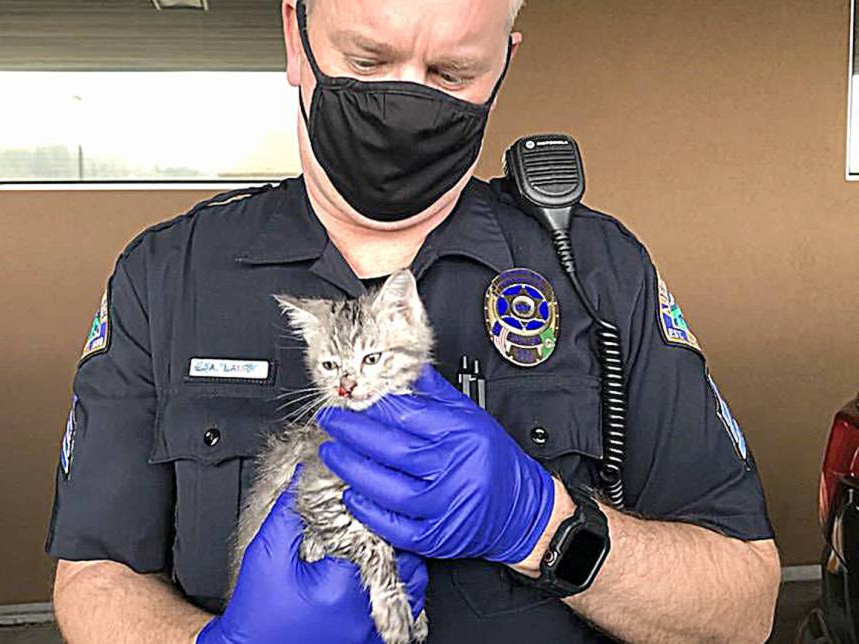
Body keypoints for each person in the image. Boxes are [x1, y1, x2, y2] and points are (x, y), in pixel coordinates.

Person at [45, 0, 782, 641]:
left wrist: (547, 528)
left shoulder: (595, 271)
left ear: (502, 64)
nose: (406, 101)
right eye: (368, 59)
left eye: (452, 73)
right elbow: (93, 579)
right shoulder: (168, 274)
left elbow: (743, 605)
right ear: (295, 37)